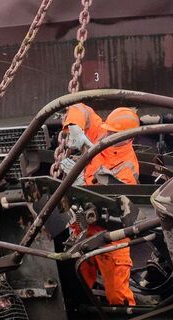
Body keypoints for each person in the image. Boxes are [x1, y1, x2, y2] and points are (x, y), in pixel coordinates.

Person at [60, 105, 140, 306]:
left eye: (114, 133)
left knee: (118, 295)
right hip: (84, 231)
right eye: (109, 131)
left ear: (128, 137)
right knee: (78, 289)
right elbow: (81, 109)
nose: (109, 135)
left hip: (110, 237)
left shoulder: (128, 166)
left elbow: (115, 204)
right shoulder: (101, 134)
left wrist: (82, 183)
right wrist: (75, 126)